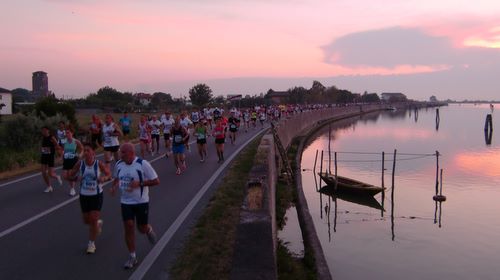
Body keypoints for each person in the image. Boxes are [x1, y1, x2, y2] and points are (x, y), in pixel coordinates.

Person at [111, 143, 160, 269]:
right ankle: (132, 256)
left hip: (141, 201)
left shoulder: (143, 164)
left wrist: (140, 183)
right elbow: (116, 178)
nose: (121, 155)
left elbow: (156, 181)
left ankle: (148, 230)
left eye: (123, 152)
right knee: (129, 226)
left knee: (141, 228)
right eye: (121, 152)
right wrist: (114, 187)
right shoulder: (118, 164)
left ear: (131, 153)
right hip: (126, 202)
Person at [68, 143, 111, 254]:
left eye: (88, 150)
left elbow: (109, 174)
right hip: (84, 195)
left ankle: (91, 244)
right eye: (85, 150)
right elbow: (69, 176)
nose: (86, 152)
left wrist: (104, 178)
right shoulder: (80, 164)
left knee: (92, 218)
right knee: (86, 220)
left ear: (93, 153)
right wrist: (77, 177)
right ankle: (97, 224)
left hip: (96, 195)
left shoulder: (98, 164)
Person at [60, 129, 83, 196]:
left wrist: (80, 154)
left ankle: (72, 189)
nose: (67, 134)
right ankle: (77, 179)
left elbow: (82, 148)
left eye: (68, 133)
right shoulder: (64, 142)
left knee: (70, 174)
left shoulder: (76, 141)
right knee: (64, 176)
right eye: (66, 133)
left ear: (72, 133)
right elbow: (62, 150)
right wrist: (61, 157)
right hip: (66, 160)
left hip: (73, 160)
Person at [40, 126, 63, 193]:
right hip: (44, 156)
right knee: (43, 172)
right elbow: (43, 146)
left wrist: (59, 154)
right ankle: (49, 186)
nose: (43, 132)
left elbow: (57, 146)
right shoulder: (43, 138)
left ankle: (57, 177)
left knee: (50, 174)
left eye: (44, 130)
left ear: (48, 130)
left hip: (50, 157)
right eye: (42, 130)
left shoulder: (52, 137)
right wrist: (42, 150)